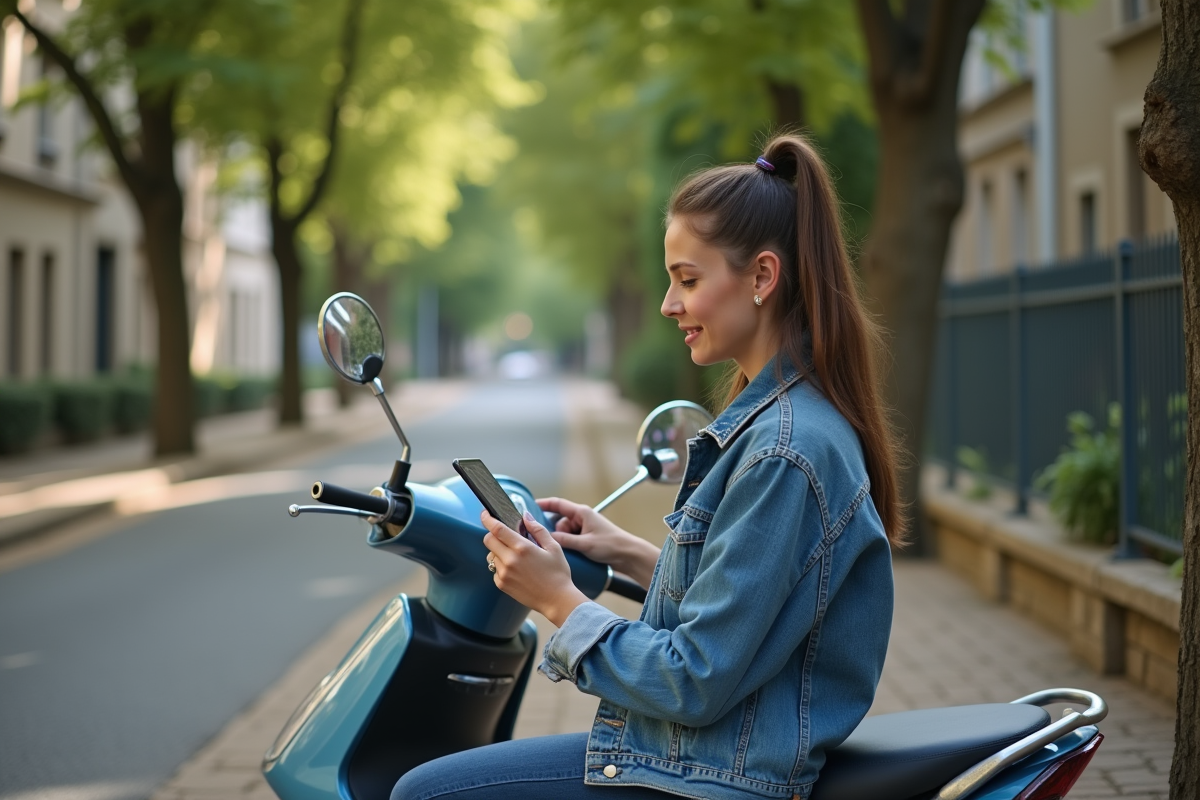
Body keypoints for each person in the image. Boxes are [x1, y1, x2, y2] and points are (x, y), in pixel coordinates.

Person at [392, 133, 905, 800]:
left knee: (421, 793)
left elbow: (694, 678)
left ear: (761, 277)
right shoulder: (789, 423)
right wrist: (626, 552)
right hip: (702, 757)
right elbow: (750, 606)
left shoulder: (783, 451)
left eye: (687, 280)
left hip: (715, 775)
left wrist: (556, 599)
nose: (668, 304)